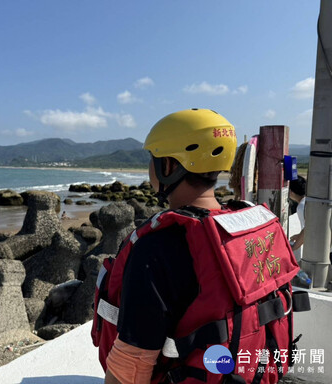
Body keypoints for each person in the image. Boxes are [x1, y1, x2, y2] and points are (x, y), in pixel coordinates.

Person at [102, 109, 299, 384]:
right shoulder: (247, 227)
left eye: (153, 158)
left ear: (168, 166)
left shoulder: (155, 250)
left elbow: (130, 367)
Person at [289, 175, 306, 261]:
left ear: (291, 192)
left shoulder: (301, 206)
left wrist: (294, 248)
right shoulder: (307, 201)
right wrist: (299, 236)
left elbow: (308, 229)